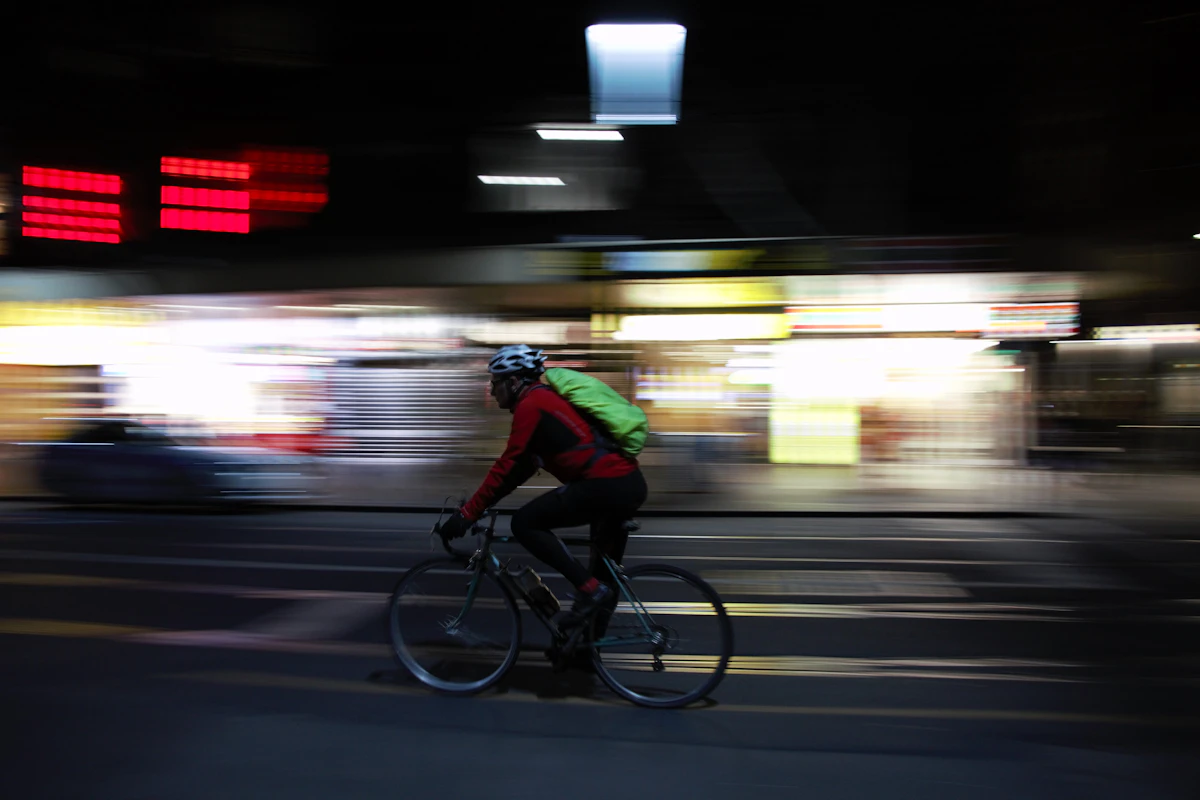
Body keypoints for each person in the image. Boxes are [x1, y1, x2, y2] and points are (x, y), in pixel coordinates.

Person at [438, 344, 648, 628]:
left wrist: (468, 515)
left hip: (607, 485)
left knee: (525, 523)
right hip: (623, 484)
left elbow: (507, 464)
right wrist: (476, 507)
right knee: (601, 579)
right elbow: (517, 472)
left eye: (495, 382)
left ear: (513, 382)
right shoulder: (543, 403)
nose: (491, 389)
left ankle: (589, 591)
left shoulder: (532, 404)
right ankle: (583, 655)